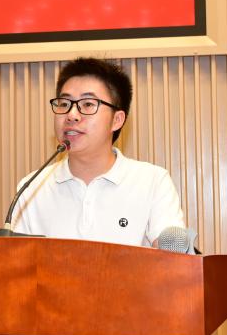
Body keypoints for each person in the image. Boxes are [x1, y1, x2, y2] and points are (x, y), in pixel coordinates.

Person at [11, 57, 185, 246]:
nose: (71, 115)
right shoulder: (32, 188)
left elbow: (173, 256)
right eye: (64, 104)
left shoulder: (153, 182)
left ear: (117, 120)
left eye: (87, 104)